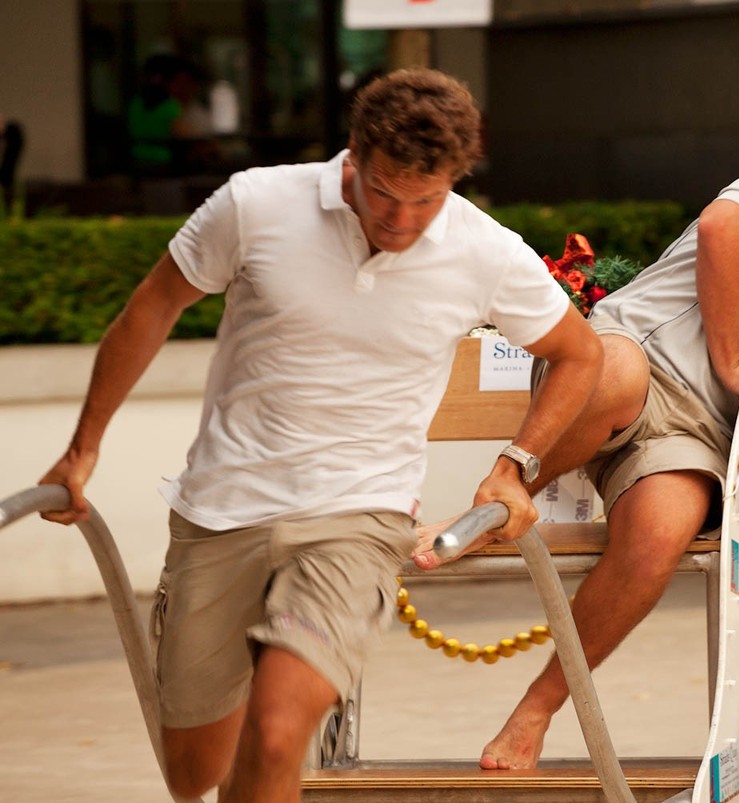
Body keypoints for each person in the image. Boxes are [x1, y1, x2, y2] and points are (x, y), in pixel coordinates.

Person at [39, 68, 602, 802]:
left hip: (356, 519)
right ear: (353, 157)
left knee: (278, 733)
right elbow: (151, 308)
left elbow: (579, 353)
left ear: (456, 182)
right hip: (223, 507)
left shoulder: (482, 249)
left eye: (426, 201)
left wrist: (515, 465)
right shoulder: (257, 204)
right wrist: (84, 447)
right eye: (384, 193)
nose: (401, 219)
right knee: (194, 773)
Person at [414, 79, 739, 769]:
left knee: (660, 538)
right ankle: (499, 485)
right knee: (623, 374)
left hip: (691, 431)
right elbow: (726, 225)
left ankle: (533, 713)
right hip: (632, 352)